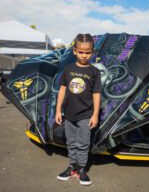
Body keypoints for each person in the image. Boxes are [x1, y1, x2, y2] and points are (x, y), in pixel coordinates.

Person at [55, 33, 101, 186]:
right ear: (74, 51)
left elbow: (96, 94)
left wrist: (95, 115)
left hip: (85, 116)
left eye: (88, 52)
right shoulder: (68, 69)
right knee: (71, 142)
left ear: (92, 52)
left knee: (82, 143)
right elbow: (62, 90)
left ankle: (82, 169)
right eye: (81, 52)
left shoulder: (94, 72)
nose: (84, 55)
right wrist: (57, 111)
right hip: (68, 114)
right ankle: (72, 167)